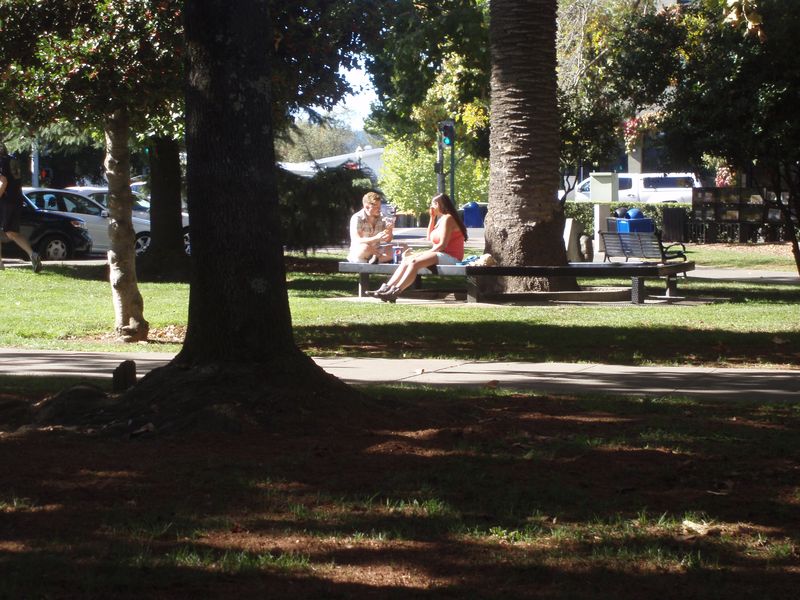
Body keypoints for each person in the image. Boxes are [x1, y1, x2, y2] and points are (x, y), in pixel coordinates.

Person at [372, 193, 467, 302]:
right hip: (440, 255)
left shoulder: (448, 218)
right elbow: (429, 237)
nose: (430, 207)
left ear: (437, 204)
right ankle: (386, 288)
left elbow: (442, 245)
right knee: (407, 260)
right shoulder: (441, 219)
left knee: (414, 262)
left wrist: (422, 254)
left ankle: (395, 292)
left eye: (432, 204)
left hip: (451, 257)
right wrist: (432, 218)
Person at [0, 143, 41, 272]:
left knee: (9, 232)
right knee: (12, 232)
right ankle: (32, 254)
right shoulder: (12, 159)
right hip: (16, 199)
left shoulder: (1, 162)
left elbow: (3, 181)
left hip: (5, 200)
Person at [348, 191, 395, 264]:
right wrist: (376, 238)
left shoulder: (382, 217)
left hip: (377, 250)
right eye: (376, 207)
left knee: (402, 247)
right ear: (366, 207)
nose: (379, 209)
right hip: (361, 251)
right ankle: (382, 259)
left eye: (380, 206)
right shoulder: (357, 218)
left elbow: (388, 240)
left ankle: (376, 259)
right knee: (365, 247)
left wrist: (390, 229)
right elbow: (357, 240)